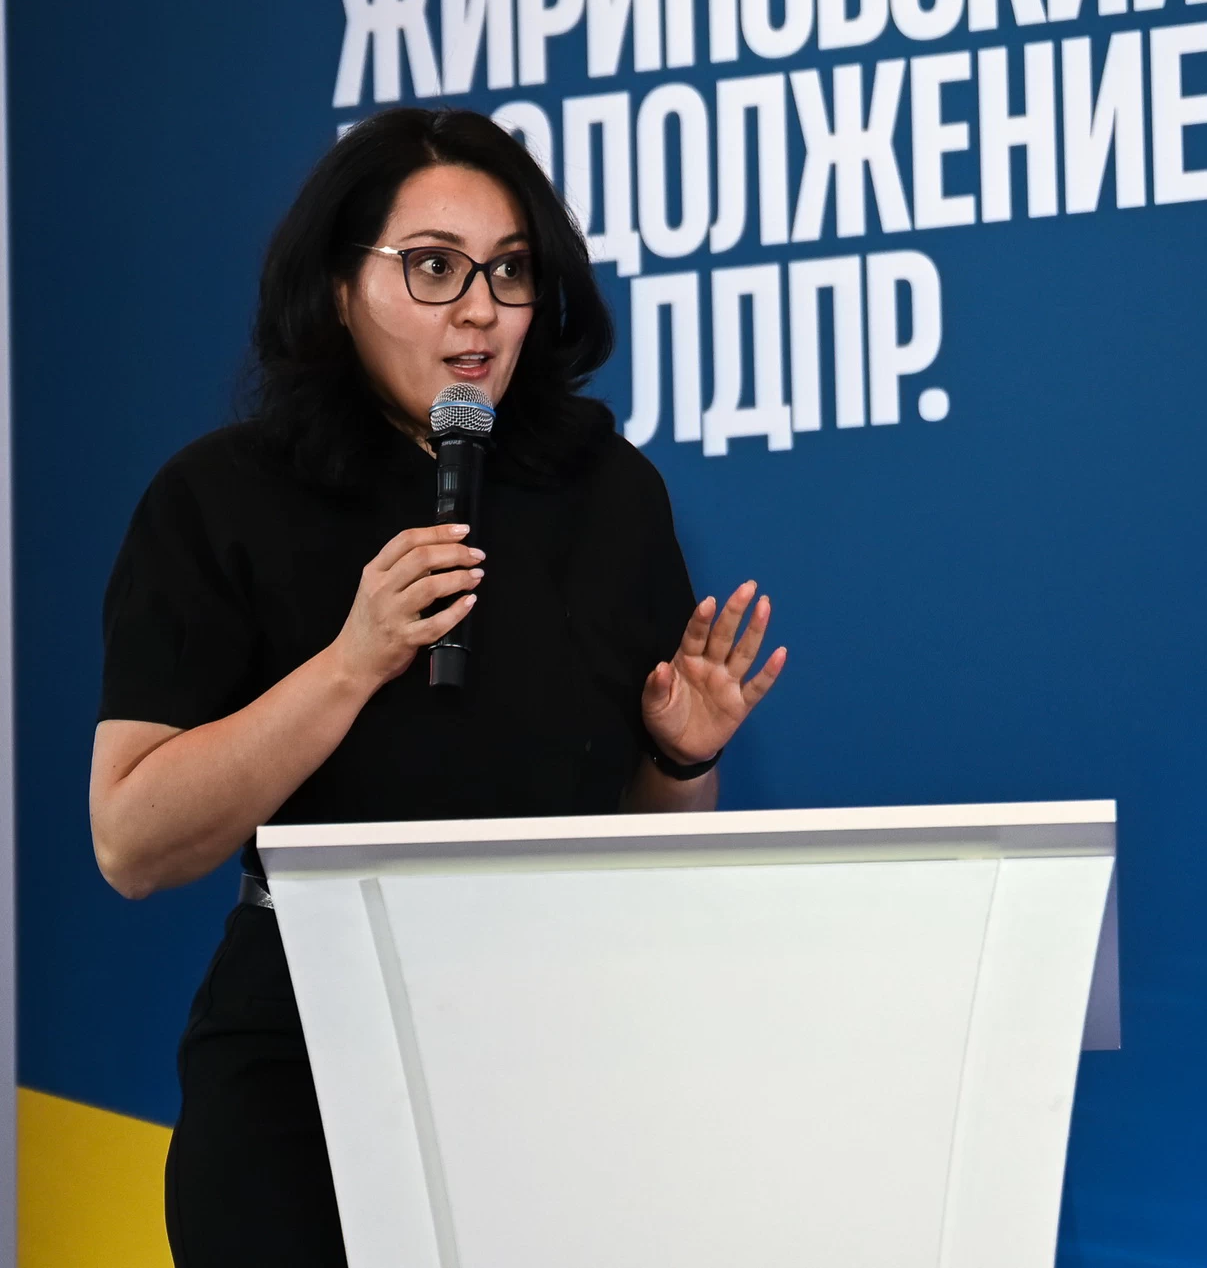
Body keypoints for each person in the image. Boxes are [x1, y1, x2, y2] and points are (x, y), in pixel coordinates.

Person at [88, 107, 787, 1267]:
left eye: (508, 271)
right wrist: (351, 659)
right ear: (337, 287)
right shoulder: (220, 500)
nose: (477, 309)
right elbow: (131, 840)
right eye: (432, 267)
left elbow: (643, 856)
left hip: (554, 1046)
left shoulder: (606, 494)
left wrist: (680, 755)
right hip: (307, 1053)